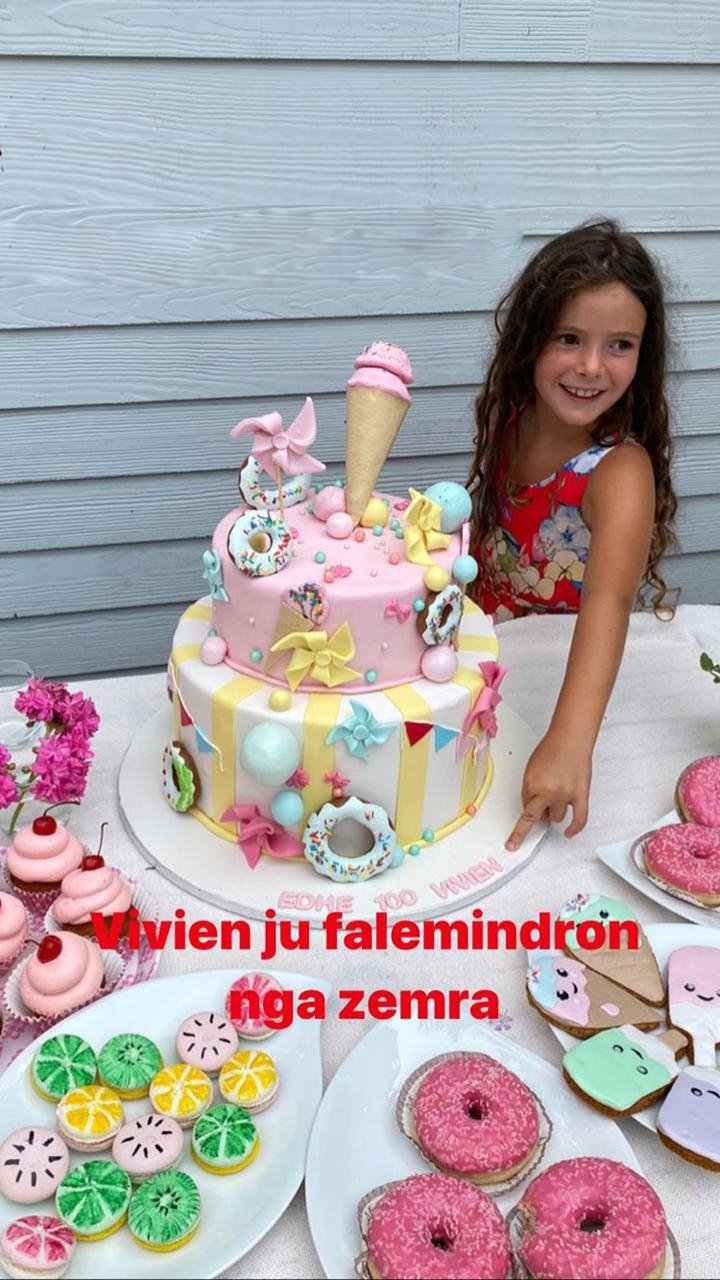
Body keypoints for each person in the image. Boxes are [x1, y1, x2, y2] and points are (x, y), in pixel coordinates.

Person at [467, 219, 678, 852]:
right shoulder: (513, 417)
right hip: (477, 660)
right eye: (568, 338)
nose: (591, 367)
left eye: (620, 345)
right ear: (529, 339)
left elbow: (609, 602)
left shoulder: (620, 473)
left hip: (547, 682)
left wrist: (568, 740)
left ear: (644, 353)